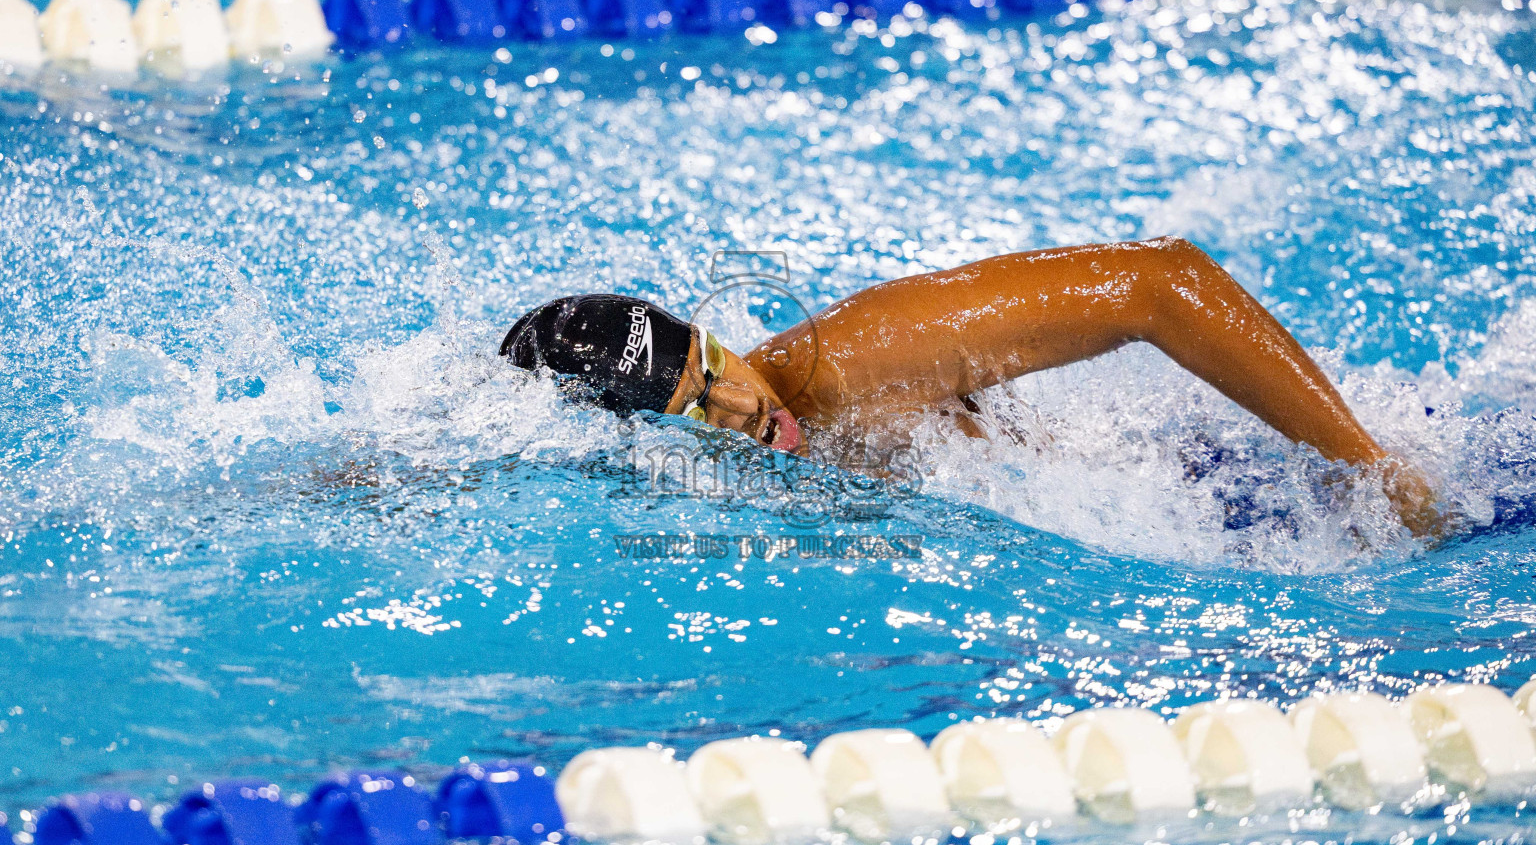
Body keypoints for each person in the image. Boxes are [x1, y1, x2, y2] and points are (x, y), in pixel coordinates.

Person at [500, 237, 1442, 536]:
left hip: (1242, 497)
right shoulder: (653, 486)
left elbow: (1164, 281)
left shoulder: (854, 362)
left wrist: (1373, 468)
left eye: (718, 370)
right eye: (698, 413)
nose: (744, 408)